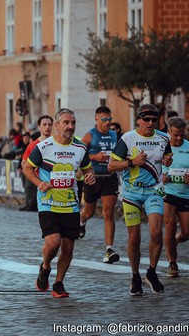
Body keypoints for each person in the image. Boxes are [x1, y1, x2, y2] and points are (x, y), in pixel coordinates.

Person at [24, 108, 95, 298]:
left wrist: (90, 177)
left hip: (71, 205)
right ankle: (45, 266)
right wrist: (39, 183)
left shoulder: (80, 148)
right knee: (53, 243)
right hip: (48, 203)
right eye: (66, 123)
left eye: (73, 123)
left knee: (68, 246)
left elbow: (88, 170)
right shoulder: (44, 147)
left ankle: (59, 283)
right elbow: (27, 168)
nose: (70, 126)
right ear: (56, 125)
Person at [108, 103, 173, 295]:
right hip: (131, 193)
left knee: (156, 233)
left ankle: (151, 273)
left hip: (154, 191)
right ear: (138, 120)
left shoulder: (163, 138)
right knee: (134, 239)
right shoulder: (128, 138)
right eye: (146, 119)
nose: (150, 123)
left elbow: (168, 158)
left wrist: (168, 162)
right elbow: (111, 166)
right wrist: (132, 162)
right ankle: (135, 275)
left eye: (154, 120)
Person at [78, 106, 120, 264]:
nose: (107, 123)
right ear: (96, 119)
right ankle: (81, 222)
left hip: (109, 177)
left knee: (108, 212)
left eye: (109, 119)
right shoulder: (90, 135)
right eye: (104, 120)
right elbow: (79, 154)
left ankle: (109, 249)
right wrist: (95, 156)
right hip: (92, 178)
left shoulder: (115, 135)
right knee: (88, 212)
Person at [162, 117, 189, 277]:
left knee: (187, 232)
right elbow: (150, 169)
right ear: (168, 132)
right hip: (167, 193)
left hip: (186, 194)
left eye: (182, 135)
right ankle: (172, 263)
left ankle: (173, 241)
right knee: (169, 225)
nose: (178, 138)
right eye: (175, 135)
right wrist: (161, 177)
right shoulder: (161, 147)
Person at [19, 115, 53, 211]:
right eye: (44, 124)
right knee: (29, 188)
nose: (47, 127)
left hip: (50, 178)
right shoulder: (33, 145)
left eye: (50, 124)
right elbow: (24, 161)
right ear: (39, 127)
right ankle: (30, 205)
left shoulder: (56, 143)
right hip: (35, 175)